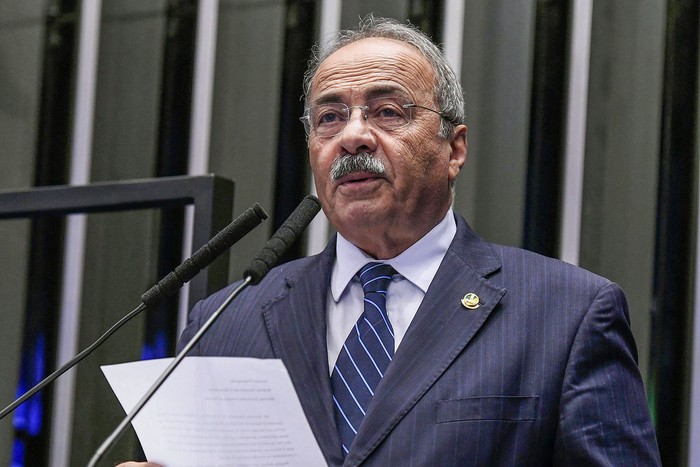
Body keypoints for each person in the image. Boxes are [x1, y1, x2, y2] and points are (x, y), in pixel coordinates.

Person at [119, 15, 660, 467]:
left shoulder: (567, 314)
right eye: (329, 118)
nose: (352, 135)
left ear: (454, 149)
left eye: (387, 112)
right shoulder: (225, 321)